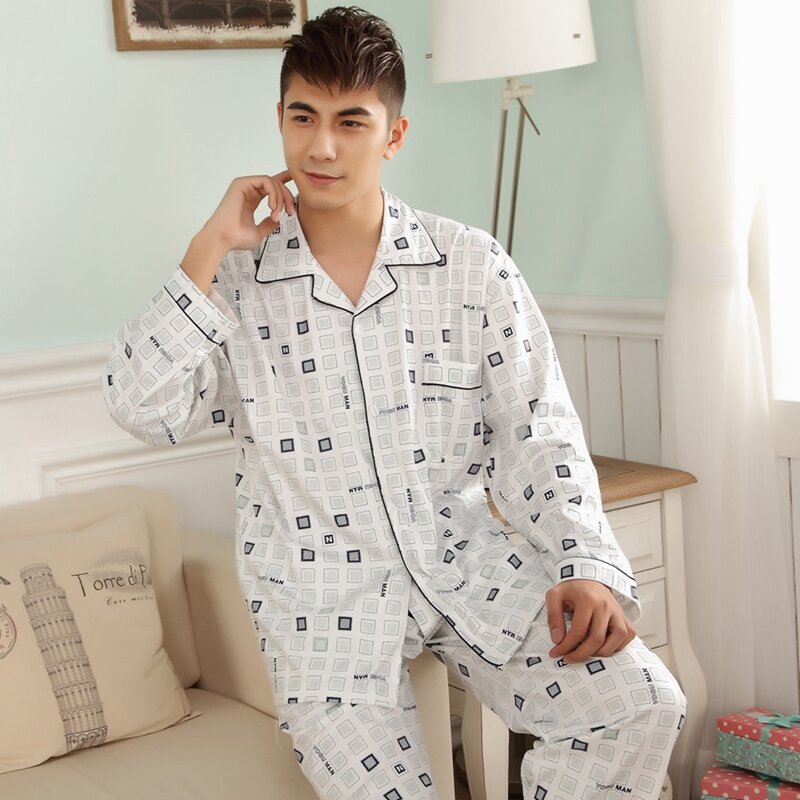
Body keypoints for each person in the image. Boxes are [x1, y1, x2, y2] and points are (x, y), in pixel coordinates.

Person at [102, 6, 686, 799]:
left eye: (351, 121)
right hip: (322, 604)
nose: (322, 146)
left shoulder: (470, 266)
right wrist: (207, 246)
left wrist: (584, 562)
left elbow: (537, 433)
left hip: (468, 566)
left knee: (640, 704)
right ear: (280, 119)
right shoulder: (234, 285)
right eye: (303, 117)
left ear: (394, 134)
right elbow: (142, 407)